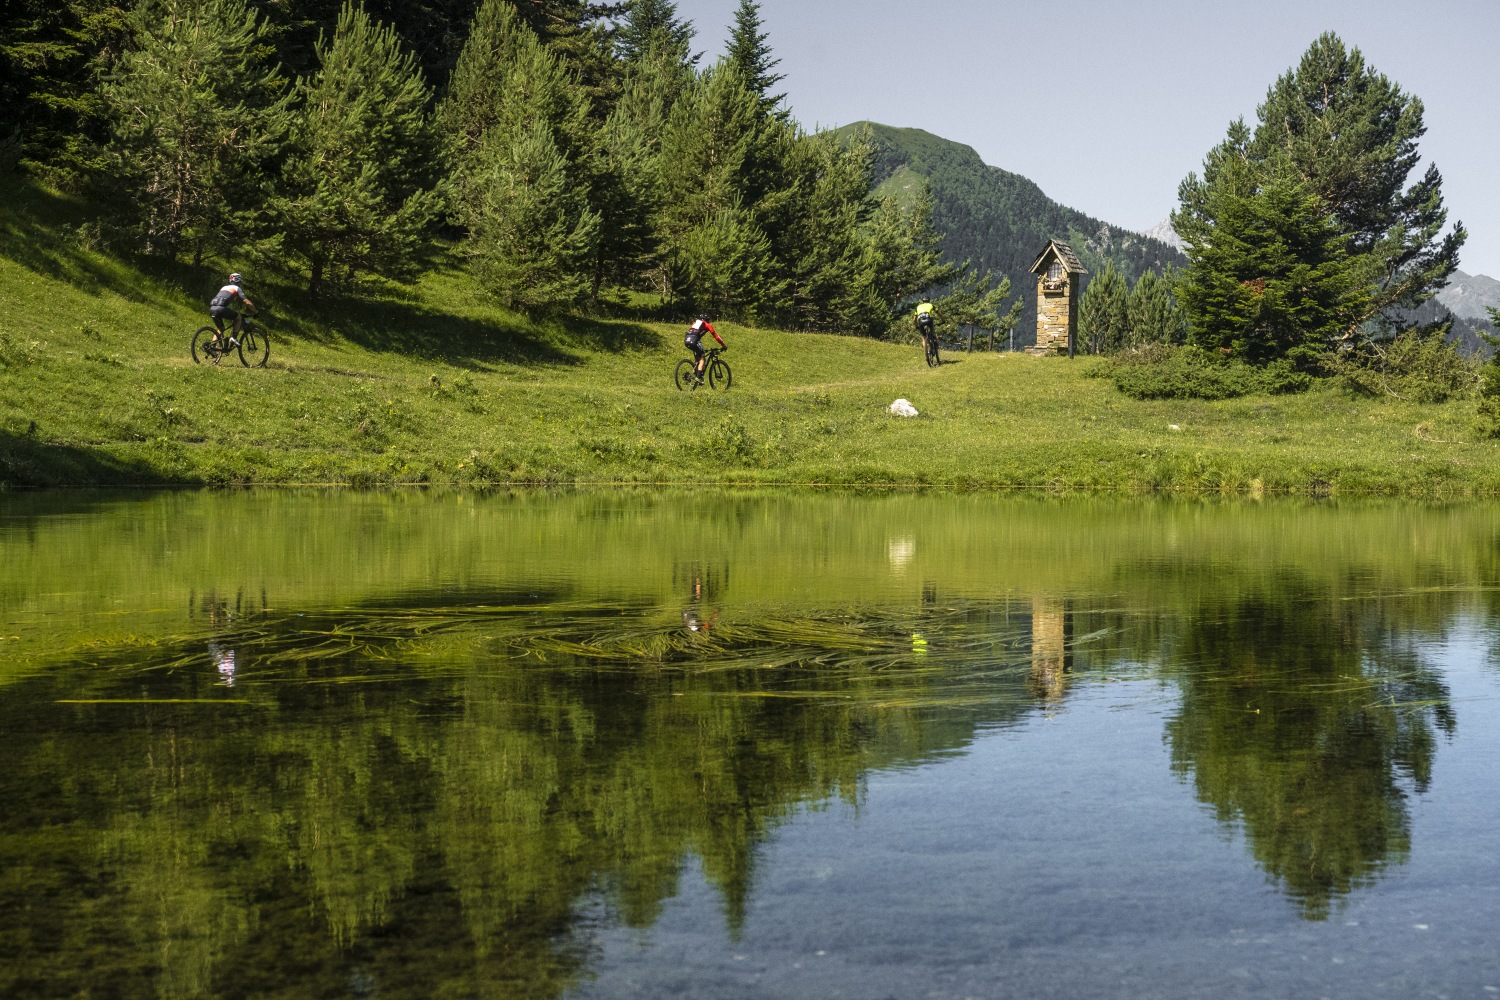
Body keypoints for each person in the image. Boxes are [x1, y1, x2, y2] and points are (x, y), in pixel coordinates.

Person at [208, 273, 257, 346]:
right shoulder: (237, 288)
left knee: (221, 329)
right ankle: (233, 337)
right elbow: (246, 302)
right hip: (221, 309)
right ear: (239, 281)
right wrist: (256, 312)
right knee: (238, 317)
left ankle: (212, 347)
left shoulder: (224, 287)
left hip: (212, 308)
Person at [685, 315, 726, 381]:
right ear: (707, 320)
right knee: (702, 358)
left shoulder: (695, 323)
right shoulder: (707, 325)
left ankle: (696, 370)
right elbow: (716, 336)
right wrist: (724, 345)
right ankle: (698, 377)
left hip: (687, 339)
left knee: (699, 355)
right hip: (695, 340)